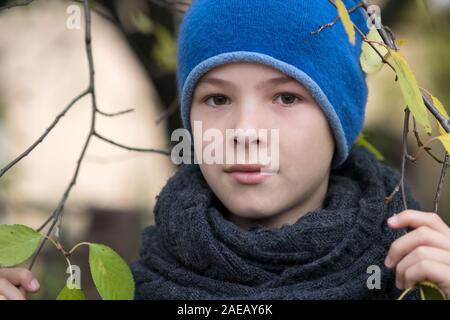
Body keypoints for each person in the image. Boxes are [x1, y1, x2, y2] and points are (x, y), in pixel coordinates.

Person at [1, 0, 450, 300]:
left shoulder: (413, 278)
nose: (245, 131)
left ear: (341, 119)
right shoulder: (127, 286)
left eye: (286, 98)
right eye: (217, 99)